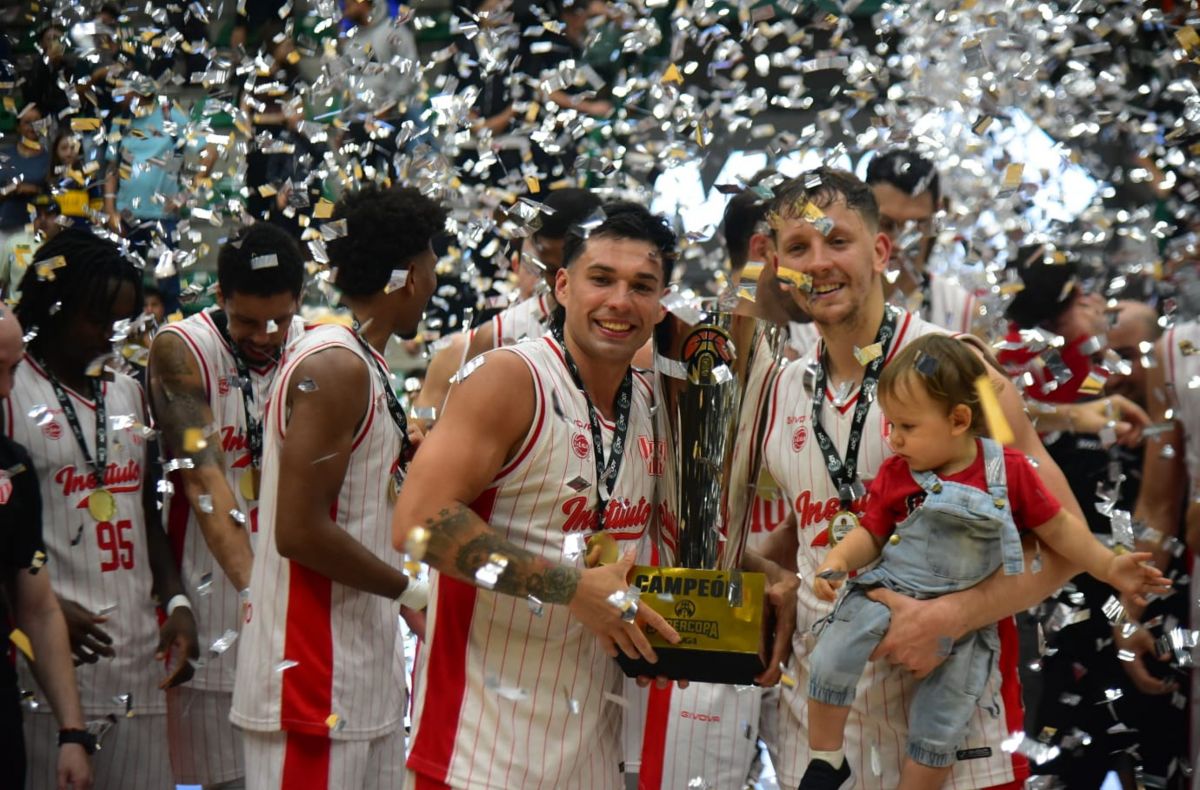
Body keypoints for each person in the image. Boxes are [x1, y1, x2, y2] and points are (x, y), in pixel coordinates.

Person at [751, 167, 1121, 790]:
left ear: (880, 250)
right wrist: (777, 582)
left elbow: (1067, 542)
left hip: (953, 742)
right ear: (779, 265)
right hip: (816, 739)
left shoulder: (960, 369)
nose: (818, 262)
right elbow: (817, 523)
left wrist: (953, 614)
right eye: (798, 247)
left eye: (837, 241)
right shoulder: (784, 387)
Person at [394, 202, 686, 789]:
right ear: (562, 286)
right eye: (601, 279)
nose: (620, 301)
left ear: (661, 303)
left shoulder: (652, 403)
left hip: (592, 753)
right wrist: (569, 588)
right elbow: (417, 526)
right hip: (477, 755)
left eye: (641, 286)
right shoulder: (509, 378)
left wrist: (765, 581)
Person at [802, 333, 1167, 789]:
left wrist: (1109, 566)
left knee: (942, 724)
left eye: (906, 427)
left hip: (967, 632)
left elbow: (1061, 529)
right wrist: (838, 558)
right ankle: (826, 756)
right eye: (890, 425)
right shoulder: (899, 472)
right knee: (831, 652)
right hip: (887, 591)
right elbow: (871, 532)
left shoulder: (1006, 470)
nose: (894, 440)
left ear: (959, 419)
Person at [230, 186, 442, 789]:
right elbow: (299, 531)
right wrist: (412, 592)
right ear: (407, 275)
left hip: (356, 675)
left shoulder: (362, 361)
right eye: (430, 266)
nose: (434, 282)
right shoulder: (335, 365)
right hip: (310, 682)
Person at [3, 228, 198, 788]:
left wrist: (177, 599)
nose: (111, 335)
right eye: (97, 320)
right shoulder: (10, 395)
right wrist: (36, 607)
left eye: (121, 321)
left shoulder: (128, 391)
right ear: (54, 307)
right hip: (44, 669)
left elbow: (144, 516)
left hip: (136, 663)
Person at [148, 222, 307, 789]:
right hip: (217, 612)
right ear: (219, 297)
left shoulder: (317, 348)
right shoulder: (181, 349)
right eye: (247, 321)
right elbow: (205, 482)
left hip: (298, 616)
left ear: (300, 300)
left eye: (278, 320)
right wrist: (260, 600)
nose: (265, 336)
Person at [0, 303, 93, 790]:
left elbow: (36, 607)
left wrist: (72, 733)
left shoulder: (12, 468)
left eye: (14, 370)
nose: (5, 390)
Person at [864, 149, 979, 334]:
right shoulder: (832, 302)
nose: (900, 242)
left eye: (915, 227)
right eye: (887, 224)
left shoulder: (964, 311)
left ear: (935, 220)